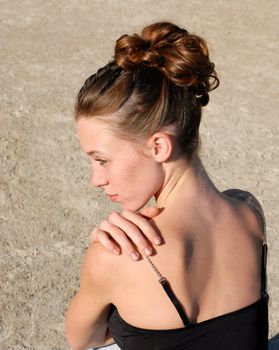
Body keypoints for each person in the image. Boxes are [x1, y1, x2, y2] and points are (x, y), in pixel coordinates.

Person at [65, 21, 269, 350]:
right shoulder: (249, 211)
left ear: (159, 147)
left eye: (102, 160)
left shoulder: (117, 254)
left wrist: (100, 253)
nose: (95, 179)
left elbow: (83, 340)